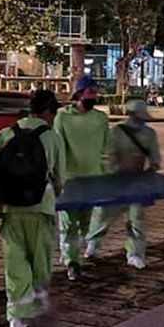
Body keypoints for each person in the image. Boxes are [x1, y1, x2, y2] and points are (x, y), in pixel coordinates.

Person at [0, 90, 67, 327]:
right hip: (41, 209)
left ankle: (16, 321)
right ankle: (38, 298)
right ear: (50, 113)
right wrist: (54, 197)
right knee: (40, 261)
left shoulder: (6, 133)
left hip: (11, 210)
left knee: (15, 264)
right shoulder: (53, 138)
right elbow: (60, 177)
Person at [85, 100, 161, 269]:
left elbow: (155, 158)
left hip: (138, 181)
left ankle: (135, 253)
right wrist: (115, 170)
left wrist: (150, 171)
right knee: (103, 213)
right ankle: (93, 244)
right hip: (116, 180)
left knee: (137, 218)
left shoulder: (150, 134)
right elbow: (108, 156)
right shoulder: (116, 133)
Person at [54, 76, 109, 281]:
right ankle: (71, 261)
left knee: (85, 224)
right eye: (90, 93)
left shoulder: (101, 119)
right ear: (79, 94)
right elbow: (58, 148)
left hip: (92, 180)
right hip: (70, 181)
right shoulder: (63, 118)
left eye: (95, 93)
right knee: (68, 224)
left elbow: (106, 149)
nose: (94, 96)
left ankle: (73, 253)